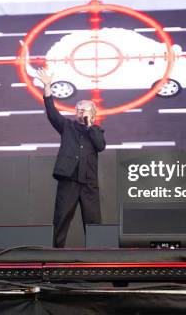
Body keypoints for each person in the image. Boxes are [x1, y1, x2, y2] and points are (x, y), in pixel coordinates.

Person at [36, 69, 106, 248]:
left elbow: (101, 146)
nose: (81, 111)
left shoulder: (96, 130)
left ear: (93, 113)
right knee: (61, 219)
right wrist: (47, 86)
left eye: (85, 109)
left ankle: (97, 257)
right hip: (69, 179)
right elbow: (52, 113)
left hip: (89, 182)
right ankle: (55, 256)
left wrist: (90, 126)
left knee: (93, 222)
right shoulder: (67, 126)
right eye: (79, 109)